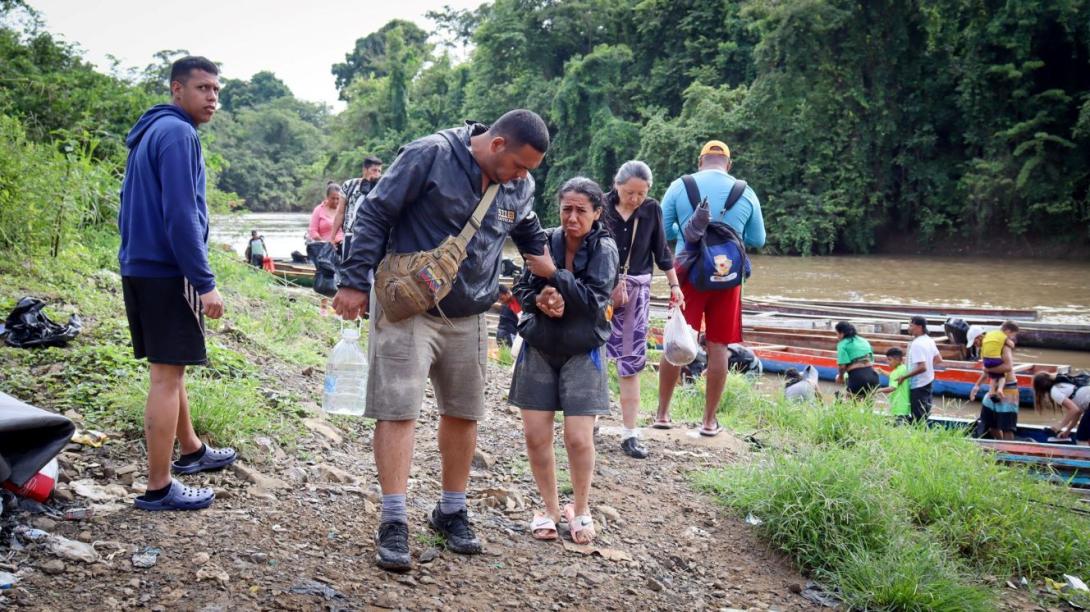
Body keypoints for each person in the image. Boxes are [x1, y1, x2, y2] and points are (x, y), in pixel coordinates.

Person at [333, 109, 550, 572]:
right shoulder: (429, 155)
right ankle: (393, 520)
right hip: (409, 307)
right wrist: (353, 280)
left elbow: (526, 227)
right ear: (496, 145)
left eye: (528, 171)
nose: (521, 177)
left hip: (470, 311)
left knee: (464, 412)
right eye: (518, 165)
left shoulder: (519, 184)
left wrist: (551, 276)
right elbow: (375, 212)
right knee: (398, 408)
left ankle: (451, 508)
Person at [117, 56, 236, 511]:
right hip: (167, 271)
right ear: (177, 90)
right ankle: (158, 487)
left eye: (217, 91)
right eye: (204, 88)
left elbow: (133, 203)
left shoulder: (150, 131)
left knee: (171, 366)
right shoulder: (178, 134)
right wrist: (204, 282)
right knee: (167, 377)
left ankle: (191, 450)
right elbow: (182, 216)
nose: (212, 98)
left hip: (140, 265)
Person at [508, 177, 617, 544]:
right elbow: (523, 287)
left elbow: (594, 302)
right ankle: (550, 508)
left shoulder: (605, 249)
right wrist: (541, 301)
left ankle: (582, 509)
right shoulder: (546, 241)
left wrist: (554, 276)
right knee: (535, 434)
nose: (572, 217)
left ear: (597, 212)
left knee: (578, 438)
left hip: (583, 349)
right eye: (566, 209)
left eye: (581, 211)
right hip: (539, 343)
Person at [655, 140, 765, 436]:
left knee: (677, 338)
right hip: (727, 277)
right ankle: (708, 422)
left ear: (700, 161)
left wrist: (688, 229)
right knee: (719, 347)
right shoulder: (746, 191)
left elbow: (663, 231)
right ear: (728, 165)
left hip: (687, 274)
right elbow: (758, 239)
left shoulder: (681, 186)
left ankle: (662, 415)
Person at [602, 161, 684, 459]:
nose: (635, 199)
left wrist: (675, 287)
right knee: (593, 355)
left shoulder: (652, 210)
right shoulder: (598, 205)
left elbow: (661, 252)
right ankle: (590, 421)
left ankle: (630, 433)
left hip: (636, 293)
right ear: (616, 184)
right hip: (599, 291)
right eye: (629, 193)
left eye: (641, 193)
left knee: (631, 360)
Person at [333, 155, 383, 261]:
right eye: (374, 170)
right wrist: (332, 237)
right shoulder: (349, 185)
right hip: (350, 236)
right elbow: (340, 213)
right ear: (365, 170)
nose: (377, 174)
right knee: (347, 270)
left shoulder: (381, 188)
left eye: (379, 171)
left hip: (371, 237)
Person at [902, 315, 944, 422]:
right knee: (924, 412)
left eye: (911, 325)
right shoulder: (929, 340)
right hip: (928, 382)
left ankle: (918, 434)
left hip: (918, 385)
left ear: (919, 327)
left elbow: (922, 367)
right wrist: (929, 365)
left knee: (918, 416)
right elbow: (938, 359)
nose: (908, 328)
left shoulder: (917, 344)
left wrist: (904, 377)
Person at [968, 321, 1020, 403]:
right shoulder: (985, 349)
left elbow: (1008, 367)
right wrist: (977, 386)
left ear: (980, 337)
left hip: (1008, 388)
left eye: (975, 343)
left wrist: (987, 370)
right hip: (994, 391)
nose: (976, 346)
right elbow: (988, 369)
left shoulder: (1003, 346)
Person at [1034, 372, 1090, 444]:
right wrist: (1067, 431)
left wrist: (1059, 426)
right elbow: (1077, 412)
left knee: (1081, 439)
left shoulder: (1054, 391)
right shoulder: (1063, 385)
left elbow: (1074, 410)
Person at [834, 321, 879, 398]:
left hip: (858, 377)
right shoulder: (863, 340)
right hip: (873, 376)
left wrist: (840, 377)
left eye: (837, 333)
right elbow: (871, 359)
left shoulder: (842, 344)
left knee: (851, 406)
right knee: (868, 408)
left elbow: (842, 366)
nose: (836, 336)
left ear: (842, 333)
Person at [878, 347, 911, 422]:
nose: (887, 362)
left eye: (890, 360)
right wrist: (882, 371)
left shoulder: (895, 372)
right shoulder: (903, 368)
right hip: (905, 405)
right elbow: (893, 376)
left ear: (898, 360)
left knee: (898, 425)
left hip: (897, 406)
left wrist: (877, 390)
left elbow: (892, 388)